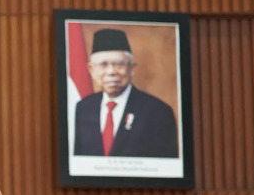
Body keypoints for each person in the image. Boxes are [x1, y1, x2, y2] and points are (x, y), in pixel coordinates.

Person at [71, 29, 179, 158]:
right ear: (91, 70)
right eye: (103, 65)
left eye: (119, 65)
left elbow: (165, 164)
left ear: (132, 69)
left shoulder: (158, 111)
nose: (111, 72)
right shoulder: (83, 108)